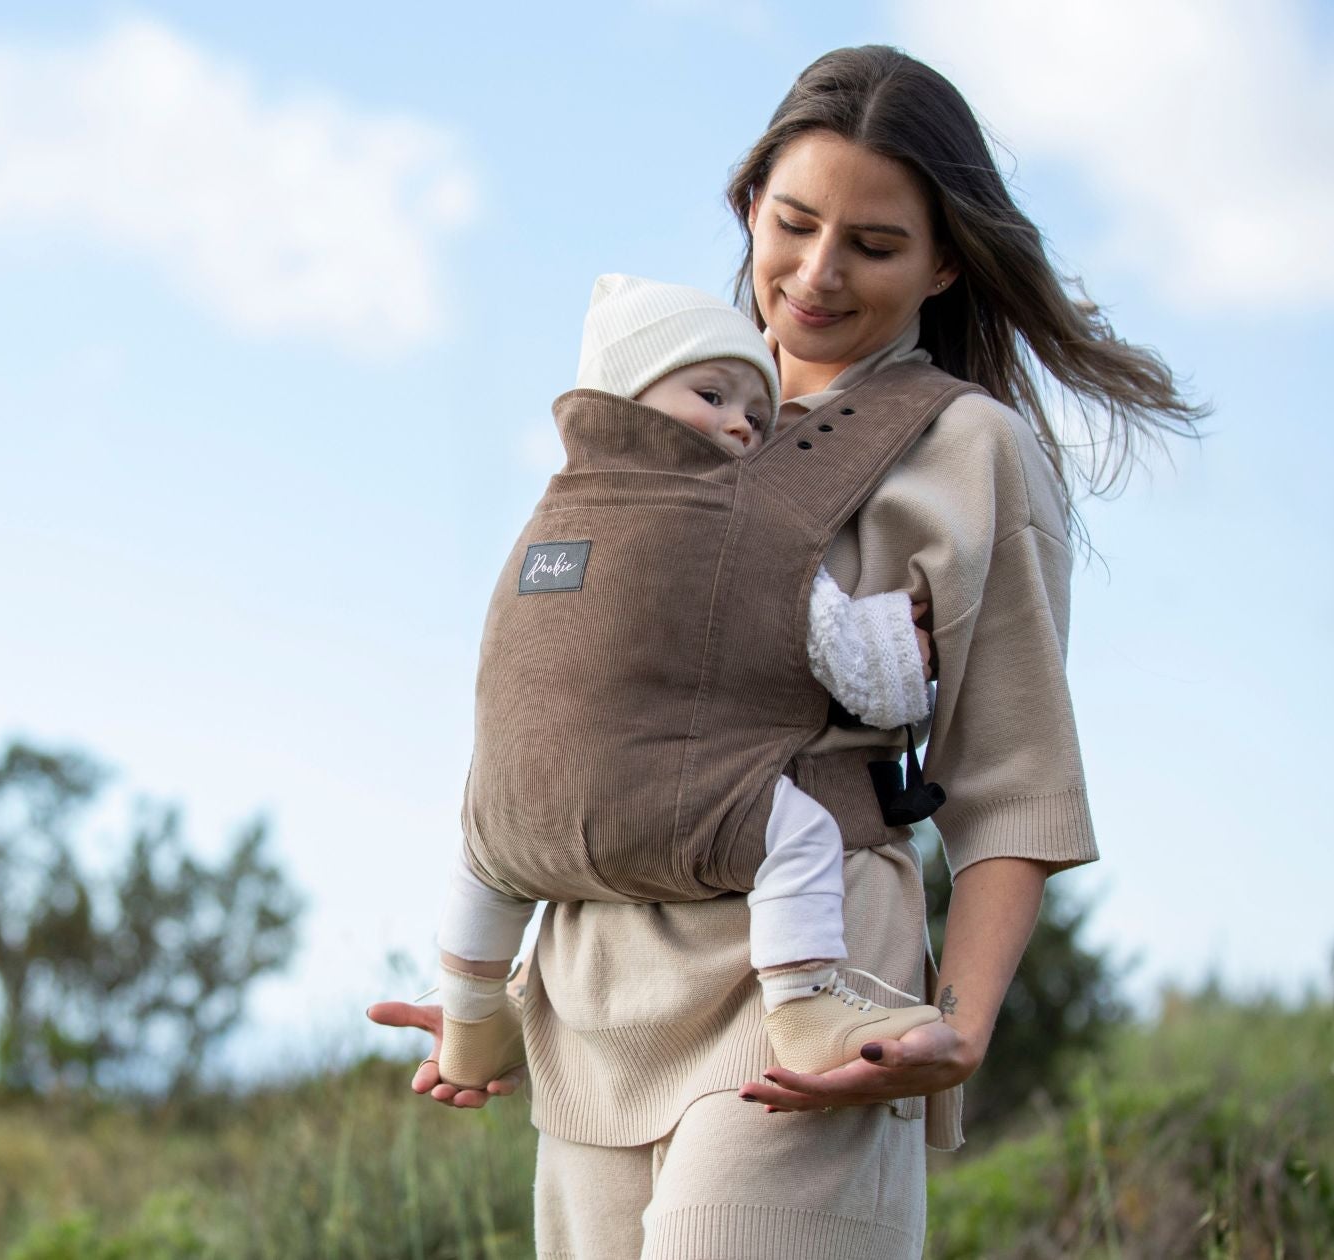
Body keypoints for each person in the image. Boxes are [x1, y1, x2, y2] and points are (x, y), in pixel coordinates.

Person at [368, 44, 1204, 1258]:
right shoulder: (643, 423)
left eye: (871, 245)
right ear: (747, 204)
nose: (815, 275)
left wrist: (958, 1025)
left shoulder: (969, 451)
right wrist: (481, 983)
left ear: (943, 262)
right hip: (595, 992)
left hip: (809, 985)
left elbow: (1011, 775)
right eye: (793, 224)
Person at [432, 274, 943, 1094]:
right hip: (675, 809)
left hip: (516, 814)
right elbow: (851, 662)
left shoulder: (546, 522)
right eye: (712, 395)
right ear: (627, 394)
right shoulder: (740, 522)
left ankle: (468, 1018)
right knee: (801, 838)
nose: (741, 423)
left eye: (759, 415)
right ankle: (805, 1009)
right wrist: (906, 652)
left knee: (479, 861)